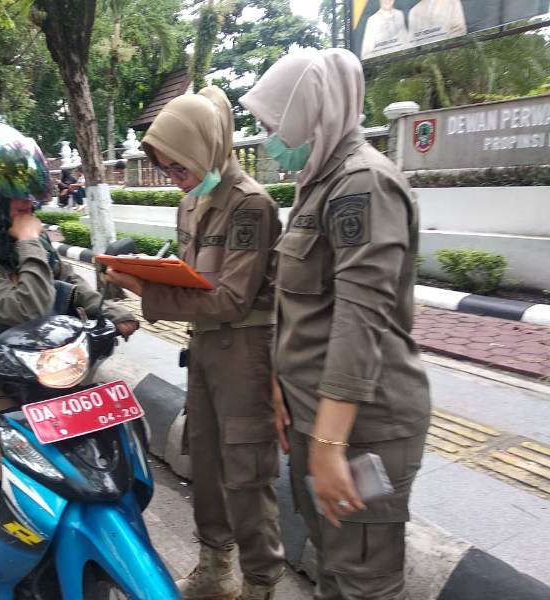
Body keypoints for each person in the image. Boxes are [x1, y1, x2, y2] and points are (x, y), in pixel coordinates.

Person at [0, 120, 139, 599]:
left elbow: (62, 282)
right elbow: (28, 308)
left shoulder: (16, 235)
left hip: (32, 370)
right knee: (11, 461)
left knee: (93, 440)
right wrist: (30, 242)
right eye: (14, 191)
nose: (28, 201)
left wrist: (109, 310)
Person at [240, 48, 430, 600]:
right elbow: (297, 306)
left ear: (313, 110)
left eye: (274, 123)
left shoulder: (361, 184)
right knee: (332, 562)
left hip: (361, 429)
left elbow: (358, 320)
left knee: (362, 580)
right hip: (317, 416)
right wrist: (280, 387)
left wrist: (328, 444)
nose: (269, 137)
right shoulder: (318, 182)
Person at [106, 86, 285, 600]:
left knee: (246, 472)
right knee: (204, 460)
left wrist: (148, 291)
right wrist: (152, 273)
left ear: (204, 147)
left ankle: (260, 584)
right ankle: (215, 569)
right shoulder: (190, 203)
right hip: (204, 349)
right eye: (165, 169)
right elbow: (195, 280)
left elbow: (231, 298)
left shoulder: (250, 204)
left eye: (178, 166)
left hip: (246, 355)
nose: (174, 178)